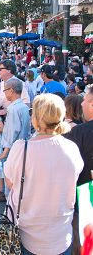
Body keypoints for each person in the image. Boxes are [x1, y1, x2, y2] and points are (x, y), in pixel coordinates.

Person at [4, 94, 83, 255]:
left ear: (36, 118)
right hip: (60, 235)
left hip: (25, 232)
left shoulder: (21, 148)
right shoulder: (72, 148)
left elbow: (10, 183)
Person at [65, 84, 93, 254]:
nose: (81, 104)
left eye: (85, 100)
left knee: (85, 247)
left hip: (86, 194)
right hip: (85, 193)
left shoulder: (80, 132)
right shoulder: (79, 131)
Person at [0, 78, 31, 202]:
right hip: (22, 147)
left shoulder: (13, 109)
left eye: (5, 90)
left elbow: (11, 132)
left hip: (12, 150)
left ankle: (10, 214)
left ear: (12, 90)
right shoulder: (23, 107)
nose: (4, 93)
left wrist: (4, 153)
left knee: (10, 184)